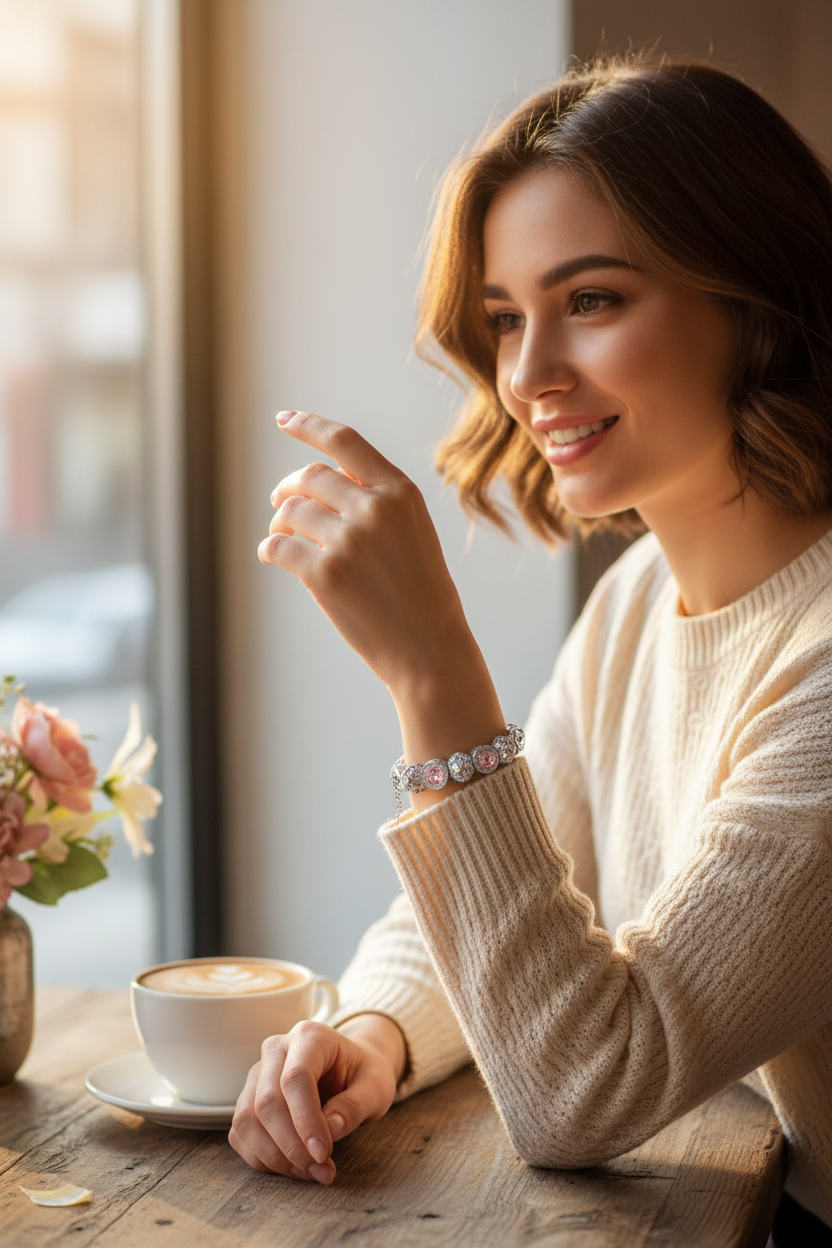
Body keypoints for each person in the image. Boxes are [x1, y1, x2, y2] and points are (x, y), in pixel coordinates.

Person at [230, 53, 832, 1241]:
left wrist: (432, 674)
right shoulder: (633, 606)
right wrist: (372, 1034)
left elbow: (583, 1088)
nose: (526, 374)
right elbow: (513, 885)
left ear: (754, 299)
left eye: (592, 300)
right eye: (504, 318)